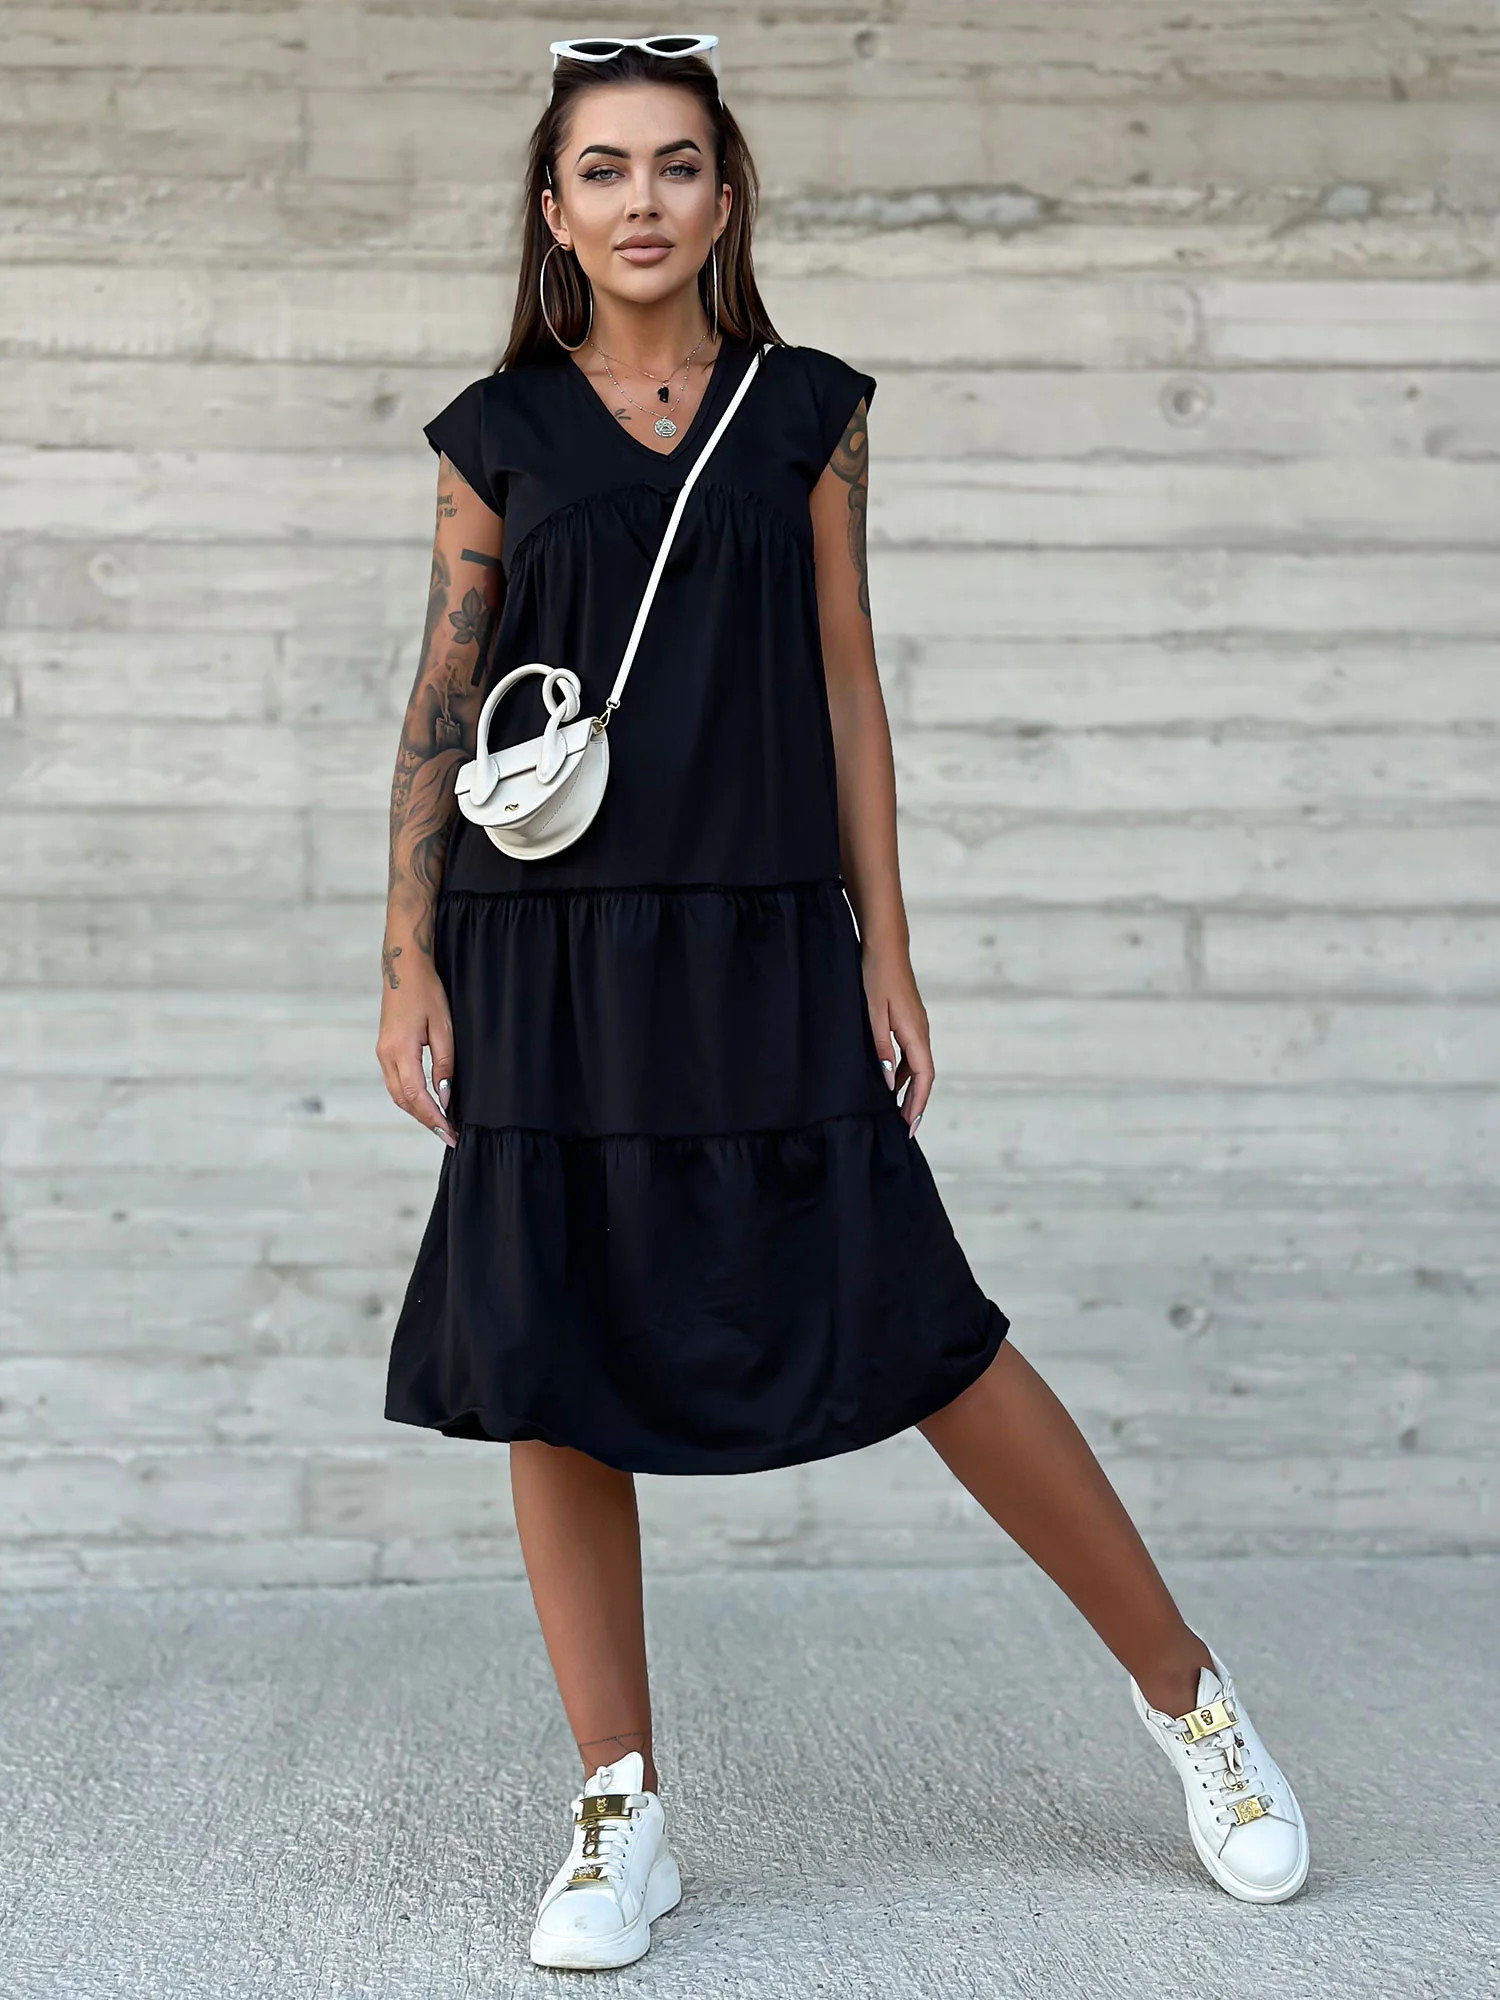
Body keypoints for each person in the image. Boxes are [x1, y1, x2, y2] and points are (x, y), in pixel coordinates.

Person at [376, 33, 1310, 1973]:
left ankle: (1194, 1705)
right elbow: (447, 703)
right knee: (553, 1343)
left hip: (761, 937)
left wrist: (887, 942)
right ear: (553, 211)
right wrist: (408, 959)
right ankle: (620, 1808)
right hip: (544, 947)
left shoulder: (806, 409)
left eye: (678, 164)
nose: (643, 199)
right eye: (604, 168)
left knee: (929, 1329)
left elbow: (846, 678)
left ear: (729, 195)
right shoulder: (496, 430)